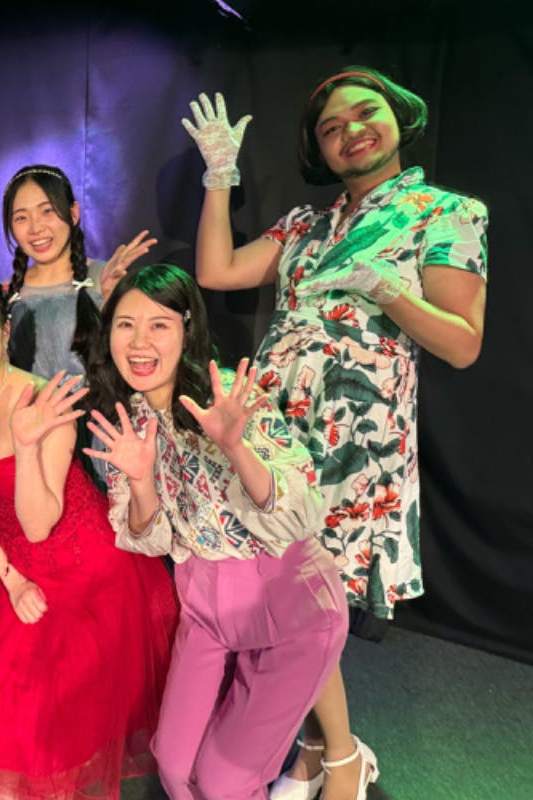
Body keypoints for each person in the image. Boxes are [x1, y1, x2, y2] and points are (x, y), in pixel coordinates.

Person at [183, 68, 488, 800]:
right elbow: (217, 271)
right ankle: (328, 753)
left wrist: (388, 288)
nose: (350, 131)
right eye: (330, 127)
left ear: (398, 116)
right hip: (277, 434)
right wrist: (219, 176)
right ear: (318, 149)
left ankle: (334, 757)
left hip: (358, 440)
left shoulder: (446, 212)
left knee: (311, 596)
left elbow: (462, 342)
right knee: (290, 591)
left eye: (364, 112)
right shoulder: (304, 224)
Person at [85, 263, 349, 800]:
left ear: (187, 330)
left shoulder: (228, 395)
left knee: (225, 780)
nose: (139, 342)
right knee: (174, 766)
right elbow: (151, 537)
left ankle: (343, 760)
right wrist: (139, 480)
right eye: (125, 324)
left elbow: (298, 508)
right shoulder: (129, 419)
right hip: (204, 606)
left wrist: (236, 448)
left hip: (290, 605)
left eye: (159, 325)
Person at [0, 268, 176, 799]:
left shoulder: (46, 403)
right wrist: (11, 578)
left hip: (88, 576)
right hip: (17, 575)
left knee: (60, 751)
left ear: (4, 329)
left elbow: (39, 525)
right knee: (14, 749)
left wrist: (26, 446)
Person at [1, 164, 155, 380]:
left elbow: (139, 358)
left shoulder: (105, 278)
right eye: (21, 218)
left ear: (73, 213)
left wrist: (111, 299)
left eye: (47, 211)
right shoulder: (4, 293)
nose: (36, 228)